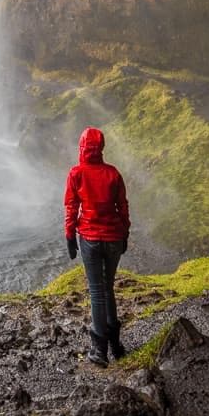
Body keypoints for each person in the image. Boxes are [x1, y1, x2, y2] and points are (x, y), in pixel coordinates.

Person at [64, 126, 130, 367]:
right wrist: (125, 234)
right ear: (101, 148)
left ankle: (99, 349)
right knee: (108, 288)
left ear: (82, 147)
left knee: (96, 291)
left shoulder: (76, 173)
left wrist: (70, 236)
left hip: (90, 239)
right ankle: (116, 345)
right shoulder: (113, 174)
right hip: (113, 237)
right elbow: (122, 207)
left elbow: (71, 208)